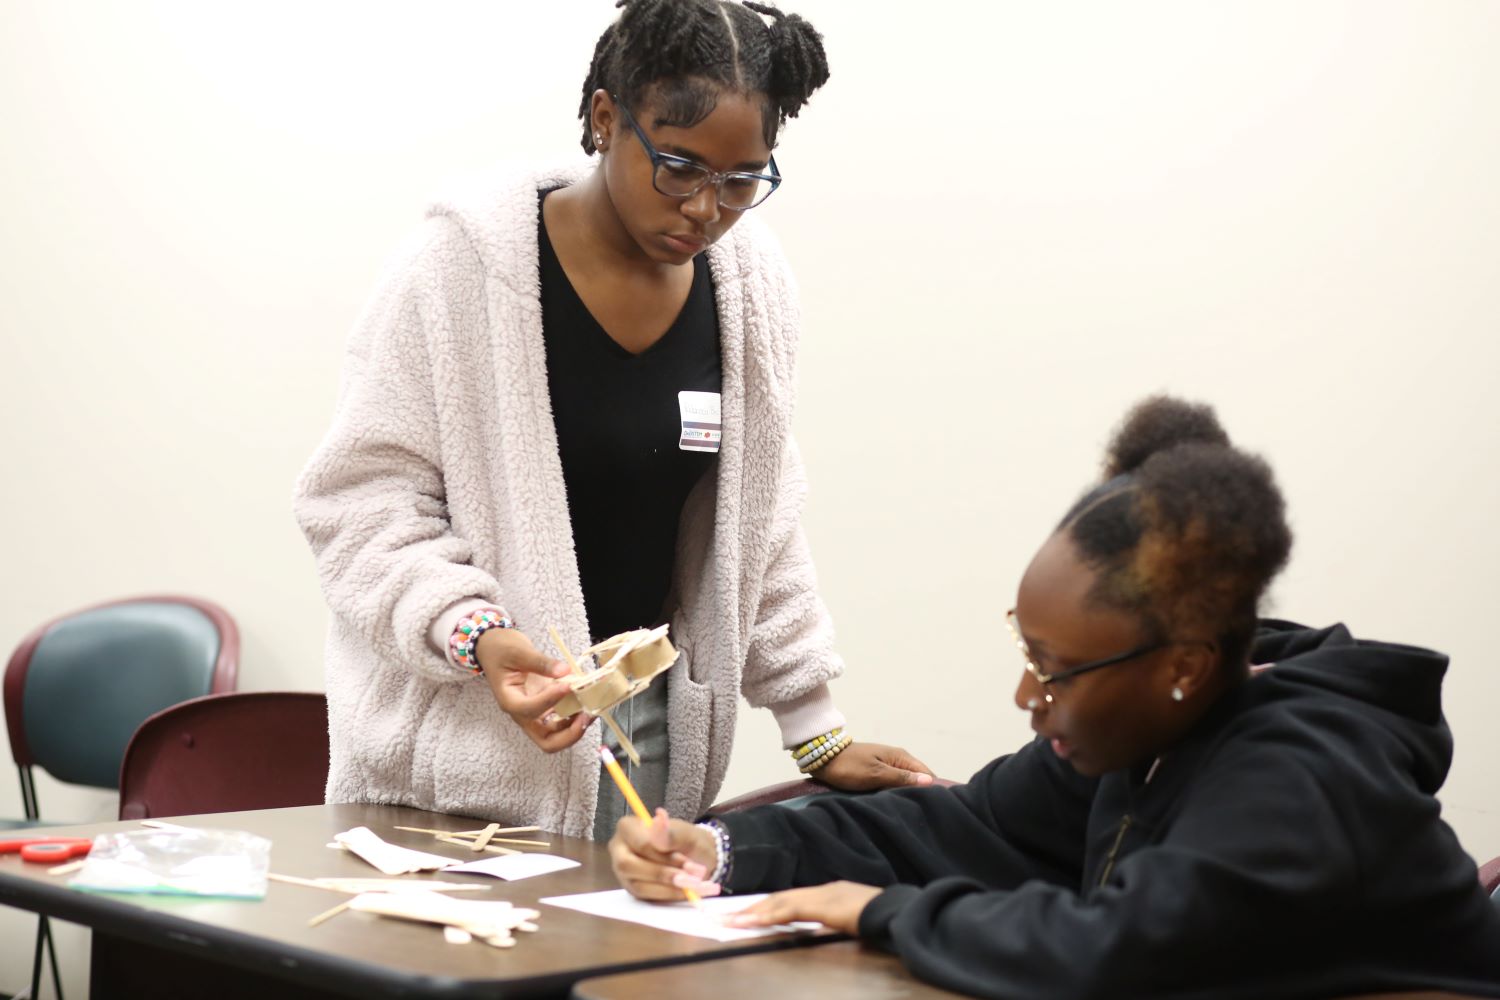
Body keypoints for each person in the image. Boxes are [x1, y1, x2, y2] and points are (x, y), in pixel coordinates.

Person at [294, 0, 932, 842]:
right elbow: (360, 504)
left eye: (742, 180)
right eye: (679, 166)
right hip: (452, 765)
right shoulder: (458, 272)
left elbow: (757, 523)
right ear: (605, 118)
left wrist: (813, 725)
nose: (706, 208)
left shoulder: (750, 289)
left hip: (649, 738)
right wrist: (476, 633)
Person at [609, 396, 1500, 997]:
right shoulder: (1148, 731)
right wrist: (718, 852)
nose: (1026, 694)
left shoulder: (1305, 779)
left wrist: (880, 910)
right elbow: (954, 829)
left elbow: (1119, 953)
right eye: (1026, 651)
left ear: (1180, 664)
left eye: (1058, 669)